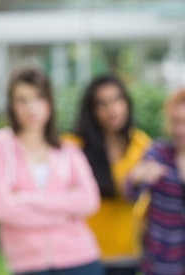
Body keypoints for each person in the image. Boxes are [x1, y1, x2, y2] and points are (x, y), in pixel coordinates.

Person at [0, 67, 103, 275]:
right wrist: (64, 214)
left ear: (49, 102)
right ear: (11, 105)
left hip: (81, 259)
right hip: (28, 264)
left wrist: (28, 199)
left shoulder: (68, 149)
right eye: (22, 100)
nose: (31, 108)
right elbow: (1, 209)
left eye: (39, 97)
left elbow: (89, 200)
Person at [63, 74, 151, 275]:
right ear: (91, 110)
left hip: (126, 253)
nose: (112, 109)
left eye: (117, 100)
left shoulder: (141, 144)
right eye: (102, 104)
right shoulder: (72, 147)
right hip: (81, 254)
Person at [126, 87, 185, 274]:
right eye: (176, 122)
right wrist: (136, 177)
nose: (181, 129)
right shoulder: (159, 153)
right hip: (161, 263)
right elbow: (131, 193)